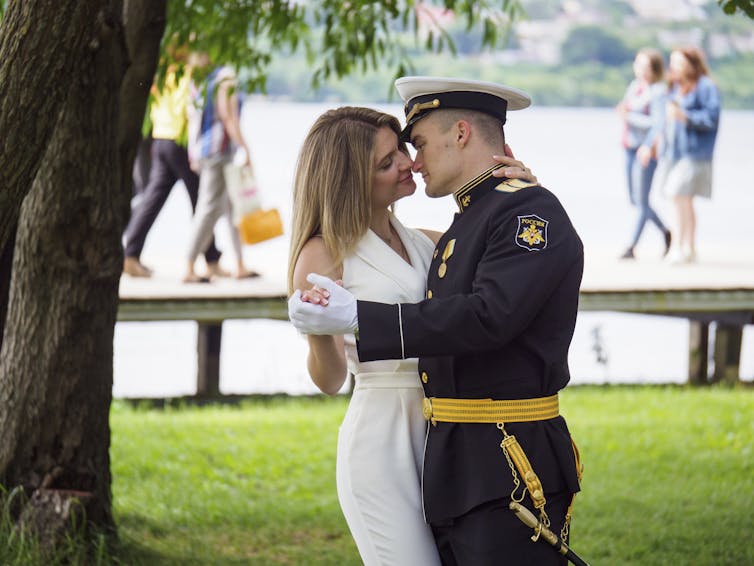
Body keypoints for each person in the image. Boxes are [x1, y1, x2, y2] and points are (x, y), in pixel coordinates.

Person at [289, 77, 585, 565]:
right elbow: (330, 378)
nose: (410, 163)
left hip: (443, 443)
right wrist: (320, 334)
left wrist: (512, 190)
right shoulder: (325, 253)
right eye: (389, 162)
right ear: (350, 179)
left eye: (407, 149)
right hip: (382, 440)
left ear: (461, 132)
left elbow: (490, 256)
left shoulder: (430, 241)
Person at [122, 54, 222, 279]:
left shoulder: (163, 73)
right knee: (201, 200)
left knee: (153, 199)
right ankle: (210, 261)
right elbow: (193, 110)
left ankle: (131, 254)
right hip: (180, 141)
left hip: (161, 138)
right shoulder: (188, 75)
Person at [183, 62, 259, 282]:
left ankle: (240, 264)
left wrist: (193, 152)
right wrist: (246, 149)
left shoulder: (203, 79)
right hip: (219, 151)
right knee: (208, 210)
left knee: (232, 207)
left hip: (206, 150)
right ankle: (188, 265)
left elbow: (194, 118)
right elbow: (228, 117)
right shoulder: (226, 78)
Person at [653, 46, 721, 264]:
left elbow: (712, 117)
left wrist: (686, 116)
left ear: (693, 63)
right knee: (682, 200)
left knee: (678, 195)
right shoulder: (675, 87)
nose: (675, 67)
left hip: (695, 153)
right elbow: (665, 121)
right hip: (673, 152)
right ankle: (689, 248)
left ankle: (678, 247)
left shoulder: (706, 86)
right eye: (673, 63)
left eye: (680, 62)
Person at [617, 48, 672, 260]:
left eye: (645, 66)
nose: (640, 70)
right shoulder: (634, 87)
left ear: (654, 69)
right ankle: (665, 231)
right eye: (638, 64)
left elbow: (657, 123)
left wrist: (629, 117)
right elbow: (625, 112)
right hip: (629, 147)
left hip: (646, 151)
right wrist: (626, 115)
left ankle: (631, 246)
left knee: (642, 201)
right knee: (635, 199)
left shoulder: (658, 91)